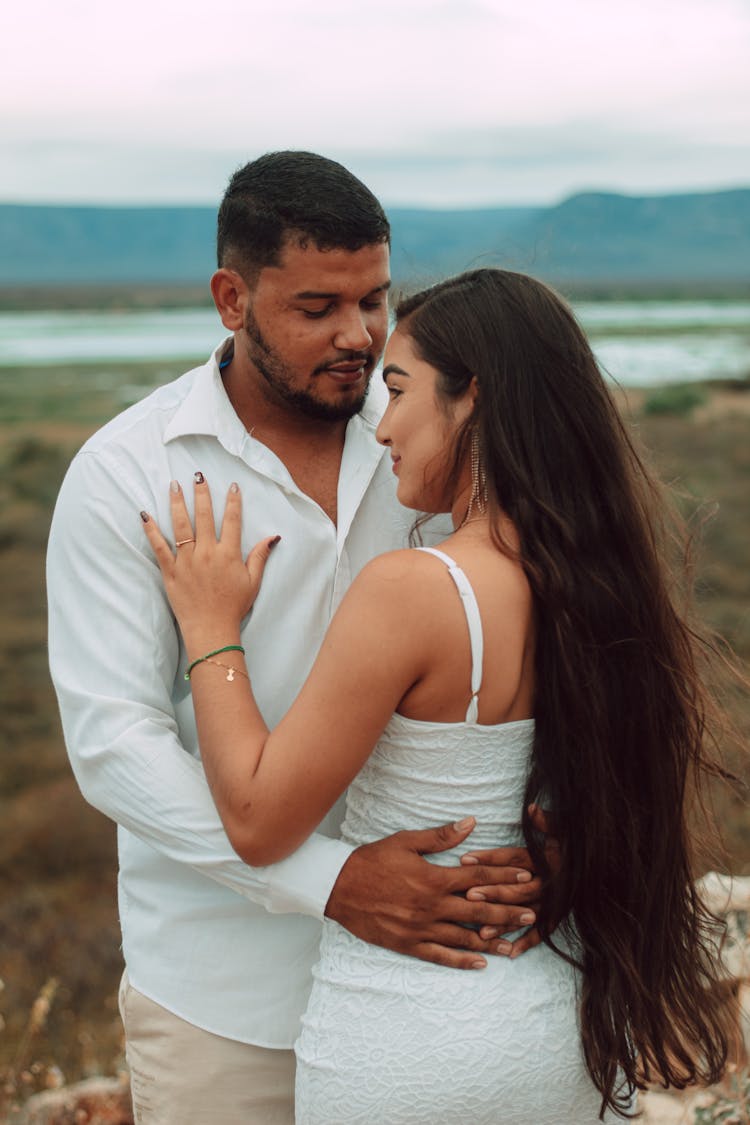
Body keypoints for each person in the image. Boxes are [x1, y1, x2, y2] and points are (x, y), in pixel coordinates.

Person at [142, 267, 734, 1123]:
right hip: (552, 1030)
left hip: (409, 1039)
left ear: (474, 400)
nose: (381, 426)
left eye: (399, 388)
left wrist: (210, 629)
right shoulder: (595, 581)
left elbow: (258, 817)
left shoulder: (415, 590)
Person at [46, 153, 543, 1125]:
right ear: (232, 298)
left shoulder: (423, 434)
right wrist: (332, 882)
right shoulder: (125, 475)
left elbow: (524, 635)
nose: (359, 335)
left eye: (375, 300)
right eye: (318, 308)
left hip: (441, 983)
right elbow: (114, 745)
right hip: (225, 1002)